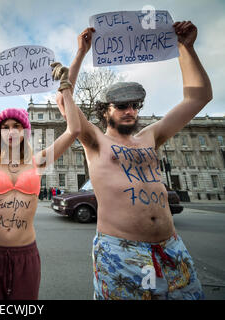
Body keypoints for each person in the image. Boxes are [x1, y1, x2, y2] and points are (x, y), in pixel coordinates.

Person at [64, 24, 212, 299]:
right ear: (105, 112)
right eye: (121, 106)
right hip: (121, 250)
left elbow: (198, 97)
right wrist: (80, 53)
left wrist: (186, 49)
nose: (130, 111)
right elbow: (65, 101)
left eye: (134, 105)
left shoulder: (151, 136)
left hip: (171, 248)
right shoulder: (96, 141)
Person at [0, 56, 82, 300]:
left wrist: (65, 87)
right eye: (5, 127)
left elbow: (74, 130)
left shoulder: (38, 161)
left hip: (25, 252)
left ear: (24, 131)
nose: (10, 130)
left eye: (16, 126)